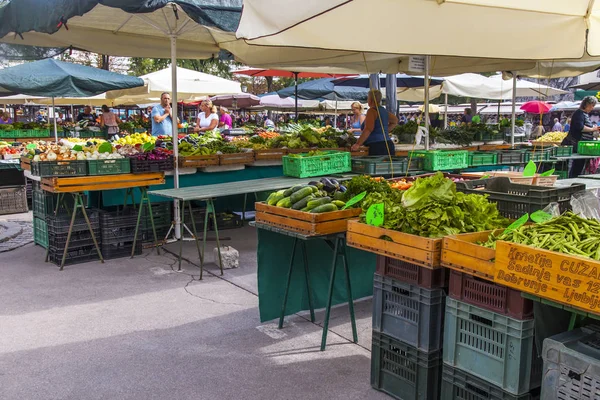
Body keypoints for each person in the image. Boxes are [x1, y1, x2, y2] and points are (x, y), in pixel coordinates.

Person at [351, 89, 398, 156]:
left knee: (377, 166)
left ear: (370, 100)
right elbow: (395, 121)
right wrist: (384, 131)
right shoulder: (383, 110)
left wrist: (358, 144)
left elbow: (368, 129)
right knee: (388, 166)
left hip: (377, 146)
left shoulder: (372, 111)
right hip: (388, 143)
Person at [562, 96, 600, 178]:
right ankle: (572, 180)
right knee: (576, 166)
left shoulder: (584, 114)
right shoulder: (579, 113)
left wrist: (594, 131)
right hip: (575, 144)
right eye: (591, 105)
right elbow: (581, 127)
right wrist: (593, 129)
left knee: (579, 165)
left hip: (581, 145)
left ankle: (575, 180)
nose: (592, 108)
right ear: (586, 104)